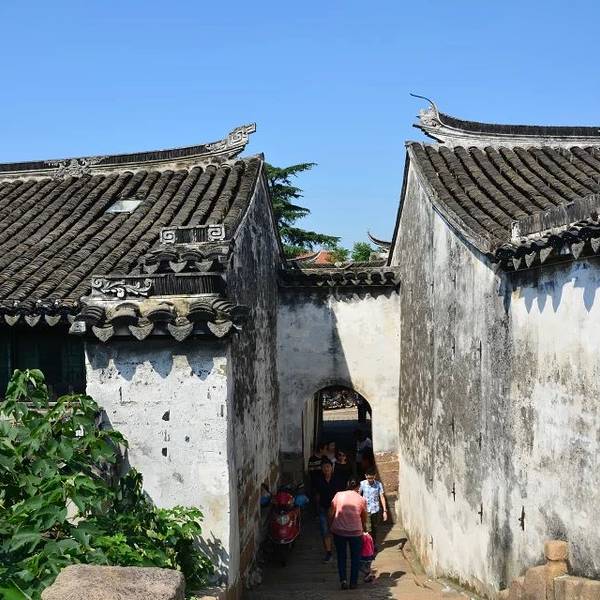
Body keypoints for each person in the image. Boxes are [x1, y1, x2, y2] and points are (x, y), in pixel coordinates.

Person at [328, 478, 367, 590]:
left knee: (341, 556)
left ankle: (343, 581)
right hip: (356, 532)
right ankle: (353, 582)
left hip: (339, 531)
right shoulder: (361, 499)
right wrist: (364, 528)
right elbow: (364, 517)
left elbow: (331, 513)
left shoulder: (338, 495)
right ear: (358, 487)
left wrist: (330, 525)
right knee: (355, 557)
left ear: (347, 484)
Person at [314, 458, 344, 563]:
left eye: (328, 467)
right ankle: (329, 552)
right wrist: (317, 508)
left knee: (337, 530)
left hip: (335, 509)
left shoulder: (337, 479)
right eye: (324, 467)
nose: (326, 469)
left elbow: (340, 495)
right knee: (325, 530)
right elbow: (317, 495)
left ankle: (339, 549)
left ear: (332, 468)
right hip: (323, 508)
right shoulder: (319, 480)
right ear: (322, 469)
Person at [359, 467, 388, 544]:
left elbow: (382, 497)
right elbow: (358, 495)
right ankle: (369, 545)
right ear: (365, 476)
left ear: (375, 476)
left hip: (375, 509)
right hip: (366, 509)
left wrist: (385, 511)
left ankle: (373, 543)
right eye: (368, 478)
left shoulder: (378, 484)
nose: (370, 480)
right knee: (368, 529)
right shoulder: (362, 484)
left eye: (372, 478)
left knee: (375, 528)